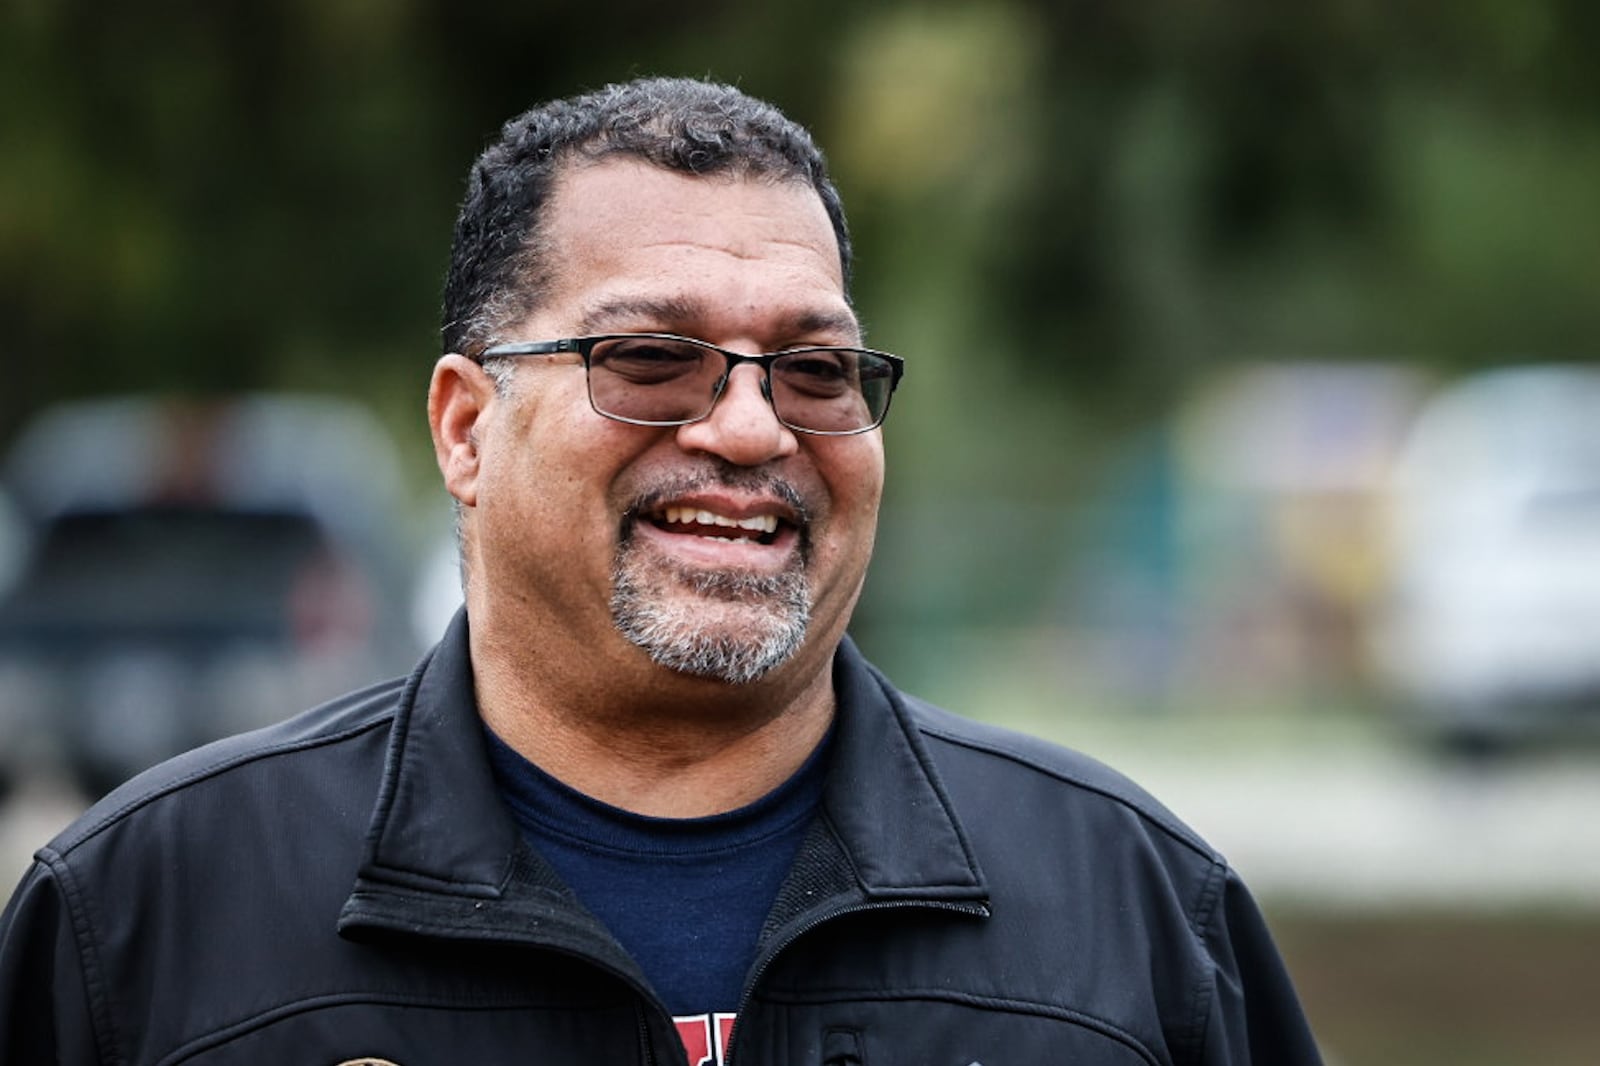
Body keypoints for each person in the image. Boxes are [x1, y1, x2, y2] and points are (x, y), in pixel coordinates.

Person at [0, 77, 1321, 1064]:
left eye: (814, 370)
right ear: (467, 427)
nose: (750, 428)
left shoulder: (1137, 913)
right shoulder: (142, 920)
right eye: (647, 361)